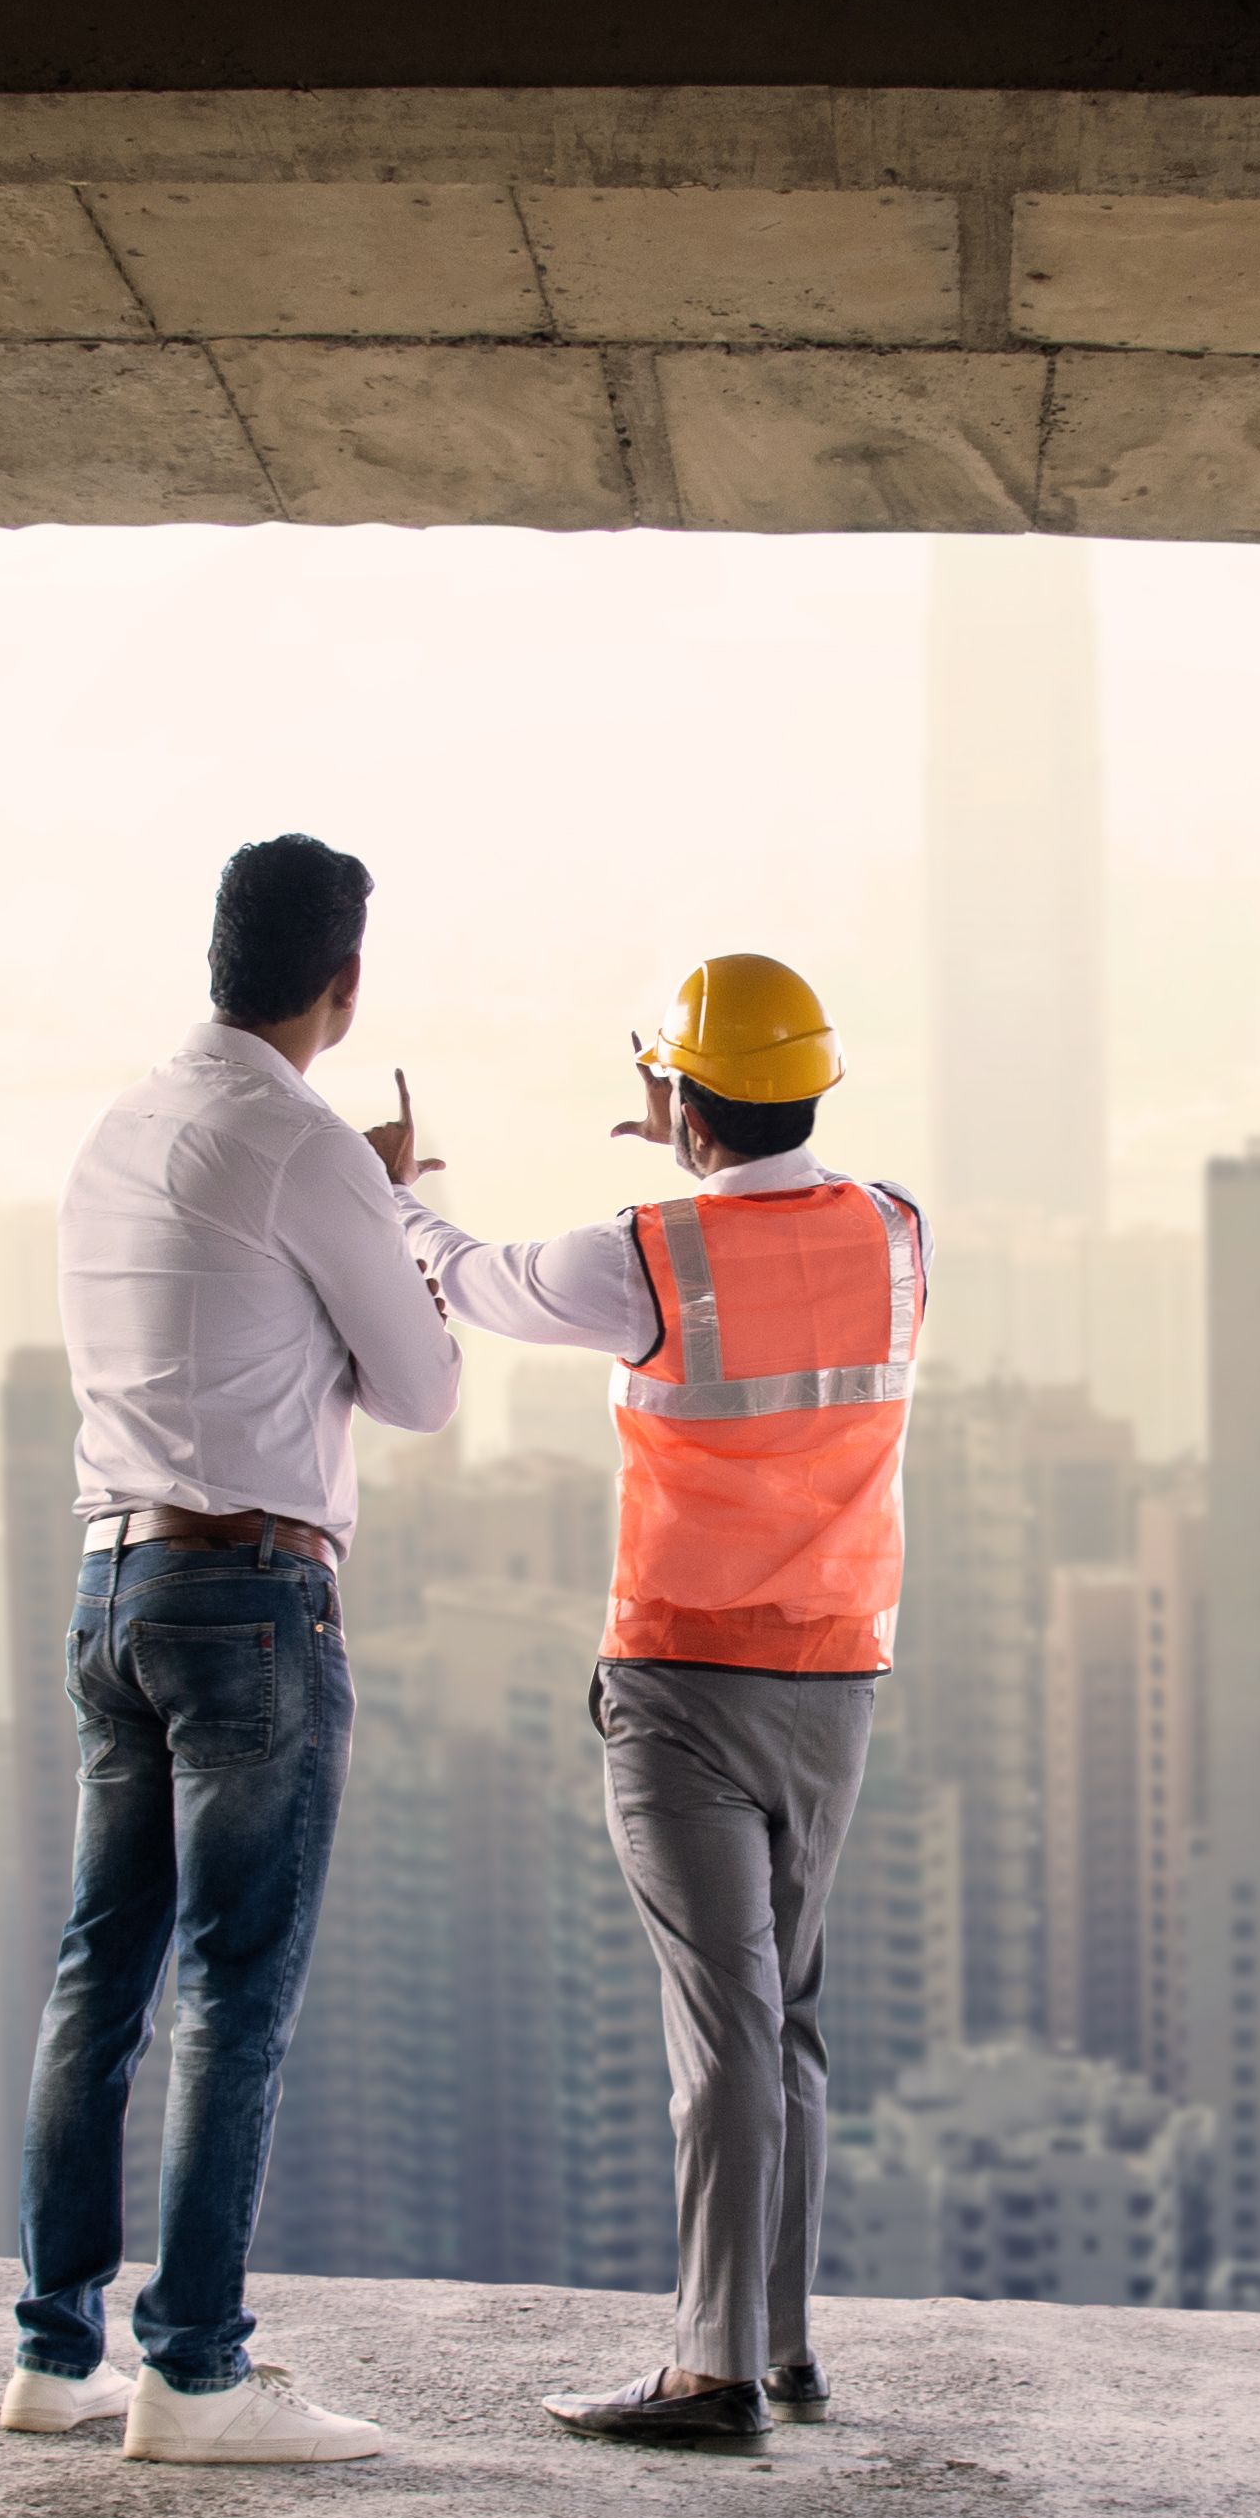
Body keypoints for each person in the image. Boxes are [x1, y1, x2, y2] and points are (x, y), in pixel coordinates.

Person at [385, 953, 924, 2441]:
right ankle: (787, 2347)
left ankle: (713, 2370)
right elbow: (782, 1228)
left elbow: (471, 1277)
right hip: (838, 1677)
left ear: (682, 1097)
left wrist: (391, 1196)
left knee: (724, 2029)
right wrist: (702, 1131)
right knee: (786, 2019)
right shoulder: (896, 1233)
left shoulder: (649, 1254)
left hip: (686, 1686)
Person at [0, 832, 458, 2465]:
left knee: (94, 1977)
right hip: (251, 1601)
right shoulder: (309, 1141)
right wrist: (391, 1204)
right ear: (344, 988)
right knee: (234, 1991)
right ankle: (194, 2371)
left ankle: (59, 2354)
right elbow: (421, 1389)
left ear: (215, 956)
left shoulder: (123, 1128)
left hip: (109, 1591)